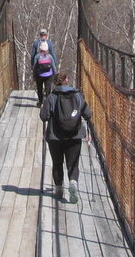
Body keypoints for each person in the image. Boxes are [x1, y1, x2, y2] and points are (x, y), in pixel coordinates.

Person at [40, 72, 92, 203]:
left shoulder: (51, 97)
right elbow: (88, 114)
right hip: (74, 136)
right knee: (73, 164)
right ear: (67, 81)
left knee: (57, 163)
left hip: (55, 137)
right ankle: (73, 183)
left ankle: (58, 188)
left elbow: (43, 116)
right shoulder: (77, 95)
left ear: (55, 83)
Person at [30, 28, 57, 103]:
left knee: (39, 88)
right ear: (46, 35)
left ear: (40, 35)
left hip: (39, 72)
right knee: (48, 88)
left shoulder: (36, 43)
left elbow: (33, 55)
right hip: (49, 72)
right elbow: (53, 55)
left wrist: (32, 67)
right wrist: (55, 68)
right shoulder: (49, 43)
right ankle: (48, 102)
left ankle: (40, 101)